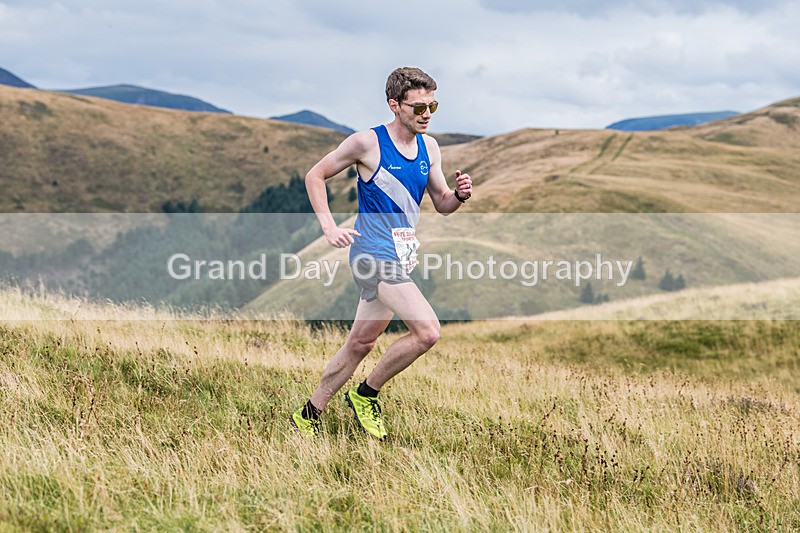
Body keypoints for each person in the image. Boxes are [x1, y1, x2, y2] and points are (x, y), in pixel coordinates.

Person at [290, 67, 473, 439]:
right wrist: (328, 226)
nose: (427, 114)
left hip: (400, 255)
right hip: (372, 254)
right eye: (419, 107)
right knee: (428, 332)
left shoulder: (429, 147)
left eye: (432, 106)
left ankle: (307, 416)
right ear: (395, 105)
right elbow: (315, 175)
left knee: (361, 342)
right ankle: (366, 394)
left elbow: (441, 203)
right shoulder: (366, 143)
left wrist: (459, 196)